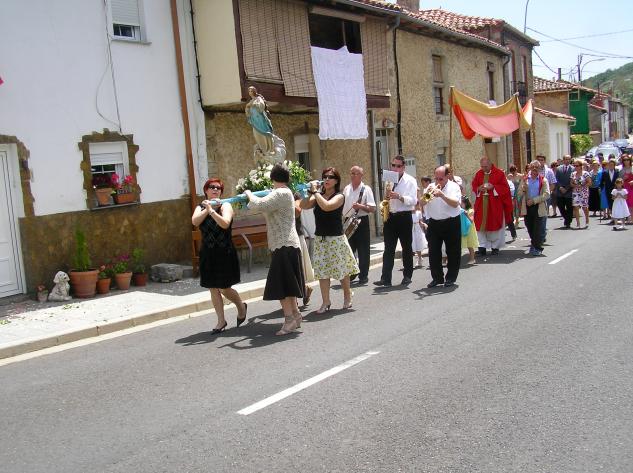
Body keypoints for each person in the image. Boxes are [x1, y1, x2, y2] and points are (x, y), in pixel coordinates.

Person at [245, 163, 304, 336]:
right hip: (286, 244)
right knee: (288, 285)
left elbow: (258, 204)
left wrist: (248, 193)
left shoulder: (280, 193)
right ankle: (295, 315)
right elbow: (262, 207)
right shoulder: (284, 193)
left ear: (272, 178)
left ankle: (289, 320)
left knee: (281, 287)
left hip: (283, 245)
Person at [191, 178, 247, 334]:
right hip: (208, 253)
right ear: (206, 190)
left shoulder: (226, 205)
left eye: (218, 188)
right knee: (213, 288)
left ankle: (241, 306)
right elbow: (195, 221)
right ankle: (221, 321)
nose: (215, 189)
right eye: (212, 187)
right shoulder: (200, 207)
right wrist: (206, 209)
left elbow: (225, 223)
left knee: (224, 288)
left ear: (221, 192)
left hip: (224, 252)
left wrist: (212, 211)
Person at [302, 167, 359, 312]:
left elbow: (327, 207)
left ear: (336, 181)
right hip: (320, 238)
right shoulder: (318, 195)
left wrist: (316, 193)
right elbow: (303, 206)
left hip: (335, 238)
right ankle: (325, 302)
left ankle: (347, 296)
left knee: (342, 271)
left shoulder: (339, 196)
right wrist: (308, 193)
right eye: (325, 176)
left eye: (330, 177)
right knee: (322, 272)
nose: (327, 179)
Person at [374, 155, 418, 287]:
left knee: (406, 247)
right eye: (393, 165)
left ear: (403, 167)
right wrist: (386, 200)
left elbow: (414, 201)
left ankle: (407, 275)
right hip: (390, 216)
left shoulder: (410, 180)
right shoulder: (389, 178)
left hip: (404, 216)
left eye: (398, 166)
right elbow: (386, 197)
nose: (395, 168)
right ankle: (385, 278)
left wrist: (399, 197)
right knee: (388, 249)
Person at [420, 166, 462, 288]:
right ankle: (437, 278)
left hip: (451, 221)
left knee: (453, 251)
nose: (438, 181)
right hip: (434, 222)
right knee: (433, 251)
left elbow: (455, 204)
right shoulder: (430, 187)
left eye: (441, 179)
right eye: (436, 178)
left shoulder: (454, 187)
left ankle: (451, 278)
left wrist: (442, 195)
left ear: (447, 176)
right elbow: (421, 203)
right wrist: (427, 195)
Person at [471, 157, 512, 256]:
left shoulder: (499, 173)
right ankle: (482, 247)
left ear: (490, 164)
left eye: (485, 166)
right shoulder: (479, 174)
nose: (483, 169)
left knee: (494, 225)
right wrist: (479, 188)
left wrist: (493, 187)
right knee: (479, 226)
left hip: (494, 204)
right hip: (481, 204)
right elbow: (474, 185)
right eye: (482, 166)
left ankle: (495, 247)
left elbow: (505, 188)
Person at [342, 166, 376, 285]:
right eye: (351, 173)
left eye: (355, 173)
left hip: (361, 221)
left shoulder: (366, 189)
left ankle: (363, 275)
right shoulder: (347, 188)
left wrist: (360, 206)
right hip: (348, 221)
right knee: (349, 248)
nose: (352, 175)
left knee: (363, 249)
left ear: (361, 175)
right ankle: (352, 273)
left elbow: (372, 208)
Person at [518, 161, 550, 256]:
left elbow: (547, 194)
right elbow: (519, 193)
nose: (535, 169)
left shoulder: (543, 180)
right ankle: (534, 243)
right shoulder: (525, 179)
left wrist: (534, 200)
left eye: (537, 168)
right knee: (529, 226)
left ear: (540, 169)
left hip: (539, 206)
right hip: (527, 206)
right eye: (533, 167)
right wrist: (523, 189)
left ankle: (537, 247)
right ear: (530, 168)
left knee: (538, 228)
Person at [294, 193, 315, 306]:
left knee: (298, 268)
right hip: (283, 238)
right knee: (293, 269)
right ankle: (304, 290)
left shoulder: (295, 197)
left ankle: (296, 299)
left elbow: (298, 210)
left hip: (296, 237)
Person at [245, 86, 274, 156]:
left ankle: (268, 149)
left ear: (254, 92)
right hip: (254, 120)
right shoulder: (251, 101)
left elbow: (261, 106)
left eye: (251, 91)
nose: (250, 93)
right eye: (249, 91)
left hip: (261, 120)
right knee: (256, 134)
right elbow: (247, 111)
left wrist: (253, 104)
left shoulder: (258, 98)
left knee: (265, 133)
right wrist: (247, 107)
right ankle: (262, 148)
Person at [536, 154, 556, 243]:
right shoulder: (533, 171)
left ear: (544, 161)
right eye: (538, 160)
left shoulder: (549, 171)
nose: (540, 161)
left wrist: (547, 193)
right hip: (535, 197)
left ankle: (542, 234)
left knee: (543, 216)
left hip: (545, 197)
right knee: (535, 217)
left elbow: (553, 183)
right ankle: (537, 233)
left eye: (542, 160)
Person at [570, 158, 592, 229]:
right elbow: (571, 183)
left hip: (583, 192)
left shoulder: (585, 173)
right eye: (574, 166)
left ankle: (587, 220)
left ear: (580, 166)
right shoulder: (573, 174)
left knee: (584, 207)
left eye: (577, 166)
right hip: (575, 192)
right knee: (576, 207)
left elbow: (589, 182)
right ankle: (578, 223)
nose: (575, 167)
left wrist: (582, 186)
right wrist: (575, 185)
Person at [555, 154, 574, 229]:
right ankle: (566, 218)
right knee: (561, 207)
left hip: (569, 191)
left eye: (569, 159)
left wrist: (566, 188)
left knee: (569, 208)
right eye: (566, 159)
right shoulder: (558, 169)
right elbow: (556, 179)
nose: (567, 161)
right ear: (563, 160)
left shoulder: (573, 169)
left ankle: (568, 222)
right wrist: (560, 187)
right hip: (560, 191)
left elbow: (572, 180)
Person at [461, 196, 478, 265]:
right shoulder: (459, 210)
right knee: (460, 244)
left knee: (470, 245)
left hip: (469, 230)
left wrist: (466, 215)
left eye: (461, 203)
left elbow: (471, 220)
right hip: (462, 229)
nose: (460, 204)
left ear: (465, 203)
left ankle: (472, 259)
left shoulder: (470, 211)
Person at [601, 159, 619, 223]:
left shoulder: (617, 172)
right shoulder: (605, 172)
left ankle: (617, 217)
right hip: (608, 190)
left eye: (612, 165)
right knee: (610, 204)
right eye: (610, 165)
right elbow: (602, 182)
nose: (611, 166)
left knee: (616, 204)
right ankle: (613, 218)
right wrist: (601, 188)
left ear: (614, 165)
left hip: (616, 190)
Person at [412, 202, 427, 268]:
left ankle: (420, 258)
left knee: (418, 243)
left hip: (417, 228)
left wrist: (423, 225)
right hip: (411, 229)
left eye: (416, 205)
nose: (414, 207)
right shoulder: (408, 213)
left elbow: (420, 221)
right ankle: (410, 261)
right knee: (412, 244)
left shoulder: (419, 213)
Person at [619, 155, 633, 224]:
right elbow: (619, 181)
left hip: (632, 188)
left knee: (631, 203)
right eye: (624, 160)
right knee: (627, 204)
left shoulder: (632, 168)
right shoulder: (622, 170)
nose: (626, 161)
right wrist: (623, 179)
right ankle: (629, 218)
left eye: (627, 160)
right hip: (625, 188)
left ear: (630, 161)